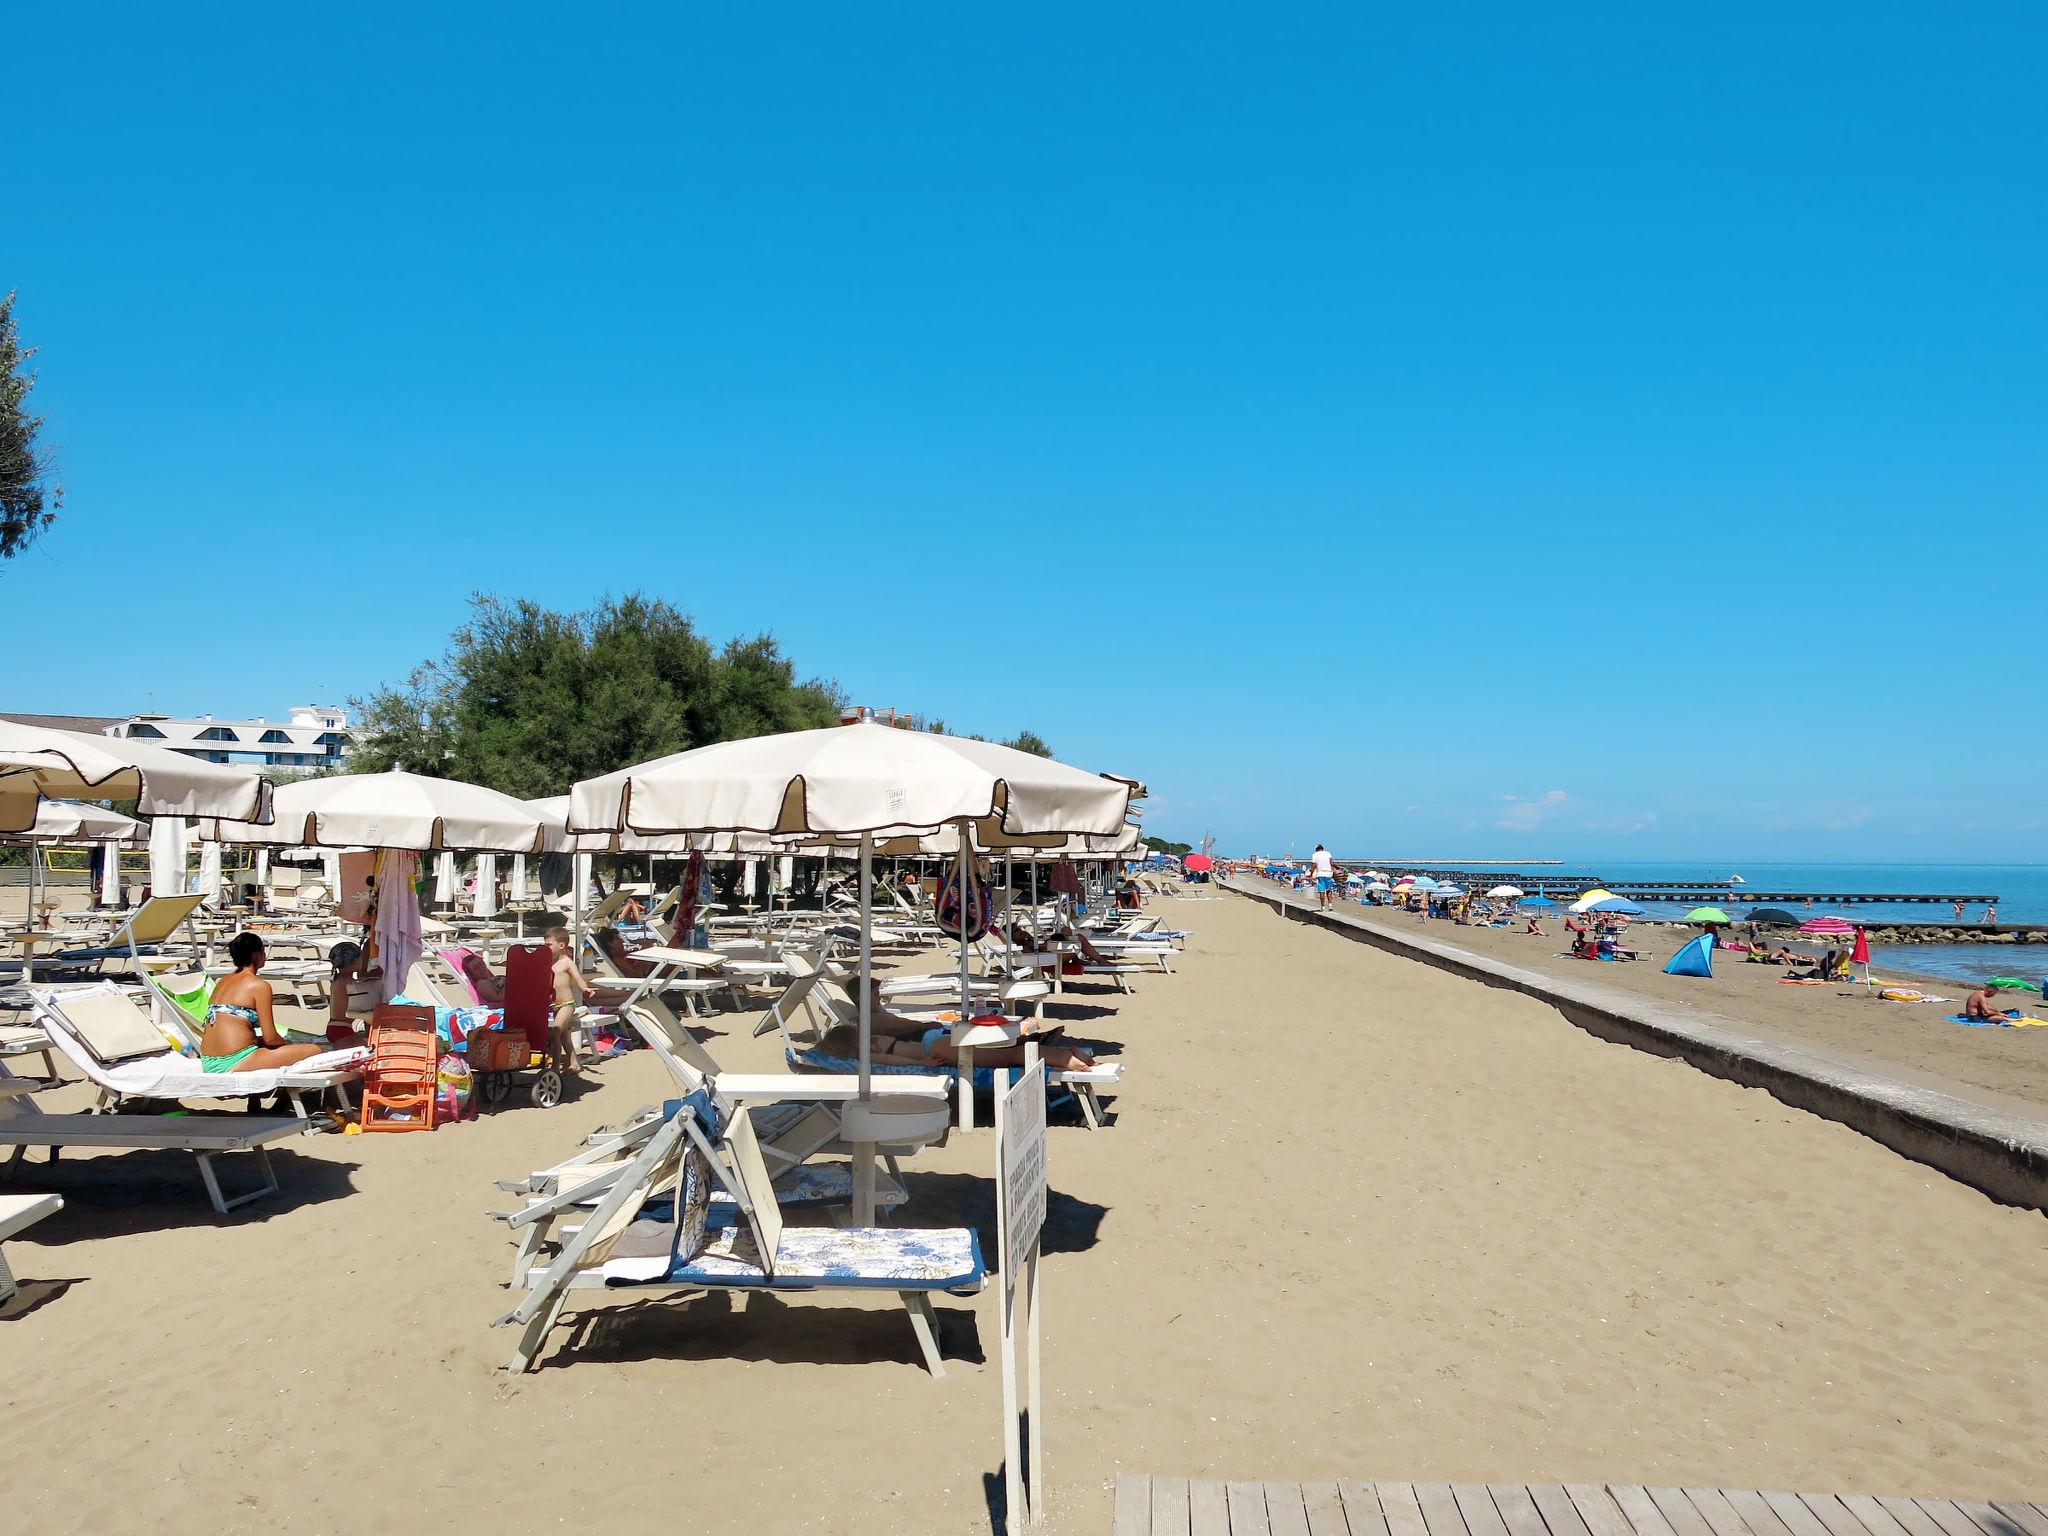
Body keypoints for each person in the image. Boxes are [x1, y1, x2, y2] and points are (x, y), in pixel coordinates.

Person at [200, 932, 327, 1073]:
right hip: (235, 1060)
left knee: (269, 1045)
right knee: (314, 1050)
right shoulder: (259, 986)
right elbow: (270, 1038)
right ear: (256, 955)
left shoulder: (223, 982)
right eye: (263, 950)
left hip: (208, 1059)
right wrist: (286, 1046)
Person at [817, 1020, 1099, 1075]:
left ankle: (1064, 1057)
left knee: (1010, 1055)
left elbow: (887, 1062)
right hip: (937, 1040)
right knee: (1010, 1049)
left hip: (938, 1049)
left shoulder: (866, 1050)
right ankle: (1070, 1051)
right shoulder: (871, 1040)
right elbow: (889, 1057)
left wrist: (925, 1064)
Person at [543, 926, 592, 1073]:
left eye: (548, 945)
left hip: (567, 1005)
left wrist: (585, 989)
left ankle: (556, 1066)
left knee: (555, 1032)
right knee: (564, 1037)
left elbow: (578, 979)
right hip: (554, 1006)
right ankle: (574, 1063)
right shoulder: (549, 962)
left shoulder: (567, 963)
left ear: (562, 945)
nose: (545, 948)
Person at [1309, 845, 1335, 911]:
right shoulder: (1328, 853)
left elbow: (1313, 866)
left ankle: (1323, 906)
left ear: (1316, 849)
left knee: (1321, 891)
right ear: (1322, 849)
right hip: (1329, 873)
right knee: (1329, 890)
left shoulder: (1314, 855)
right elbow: (1332, 863)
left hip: (1320, 874)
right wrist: (1338, 867)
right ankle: (1330, 906)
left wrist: (1311, 875)